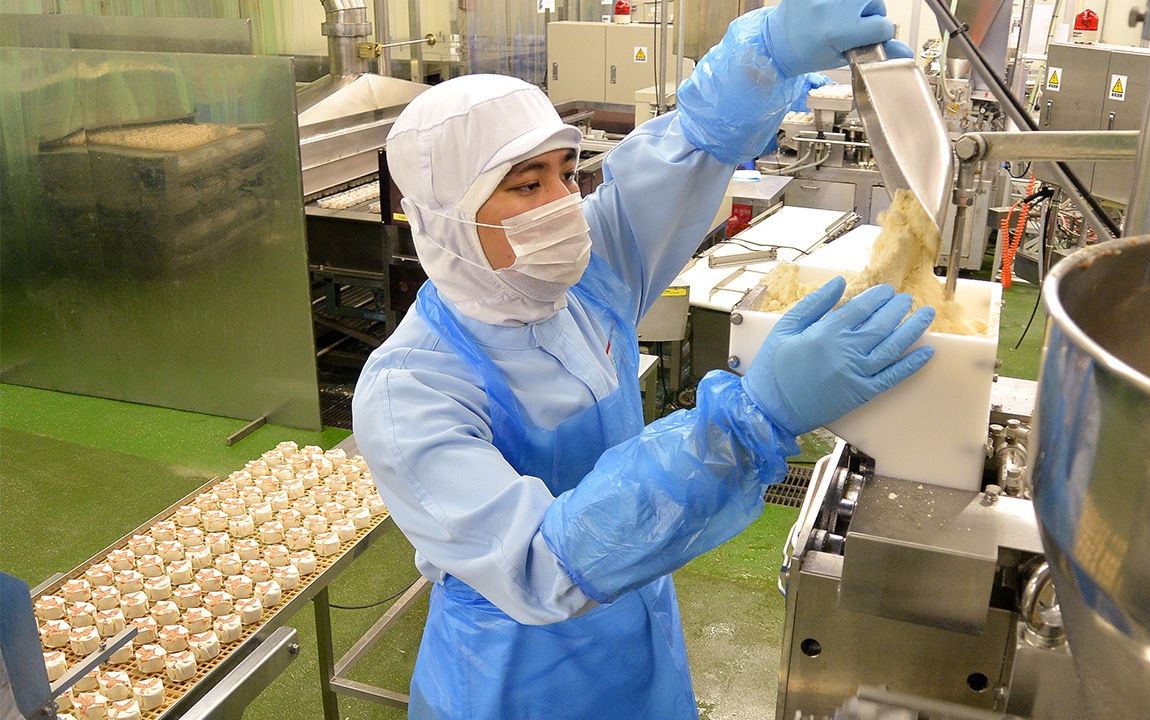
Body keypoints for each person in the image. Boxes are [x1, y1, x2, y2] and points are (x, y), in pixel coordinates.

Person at [352, 1, 934, 717]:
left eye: (567, 172)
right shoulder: (411, 390)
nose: (565, 203)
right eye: (527, 184)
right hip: (515, 674)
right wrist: (751, 418)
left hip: (636, 629)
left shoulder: (583, 282)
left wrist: (765, 53)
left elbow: (690, 149)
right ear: (446, 220)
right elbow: (542, 565)